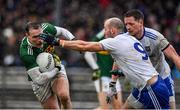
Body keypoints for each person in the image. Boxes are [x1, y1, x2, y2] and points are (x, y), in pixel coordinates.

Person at [40, 17, 170, 109]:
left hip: (151, 88)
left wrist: (58, 42)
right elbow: (117, 60)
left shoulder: (114, 42)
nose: (104, 32)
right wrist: (113, 83)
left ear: (112, 31)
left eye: (105, 29)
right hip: (141, 89)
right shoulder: (128, 38)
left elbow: (85, 46)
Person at [123, 9, 180, 109]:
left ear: (141, 22)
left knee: (171, 108)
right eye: (126, 24)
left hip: (162, 78)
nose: (128, 27)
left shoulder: (155, 37)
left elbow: (174, 56)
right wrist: (113, 82)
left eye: (131, 24)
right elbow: (117, 59)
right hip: (143, 82)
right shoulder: (125, 39)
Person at [19, 22, 74, 109]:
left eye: (41, 36)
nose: (39, 40)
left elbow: (63, 31)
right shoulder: (26, 52)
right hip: (40, 78)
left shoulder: (47, 28)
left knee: (64, 96)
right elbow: (39, 79)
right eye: (35, 37)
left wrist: (73, 40)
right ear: (27, 35)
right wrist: (56, 68)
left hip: (54, 66)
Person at [84, 29, 122, 109]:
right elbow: (87, 54)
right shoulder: (100, 38)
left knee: (118, 107)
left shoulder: (119, 39)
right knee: (104, 107)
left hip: (114, 77)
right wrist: (96, 68)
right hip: (102, 76)